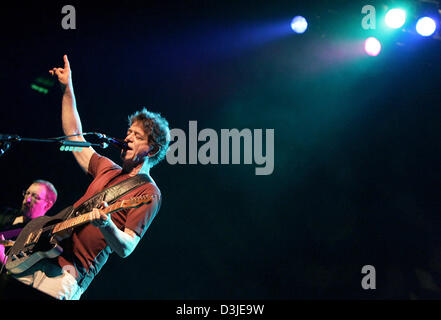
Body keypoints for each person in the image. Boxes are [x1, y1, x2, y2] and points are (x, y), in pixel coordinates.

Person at [14, 54, 170, 300]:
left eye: (137, 136)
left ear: (152, 150)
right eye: (128, 132)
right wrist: (67, 88)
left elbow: (127, 247)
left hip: (68, 274)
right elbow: (74, 137)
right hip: (38, 255)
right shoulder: (106, 167)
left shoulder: (148, 192)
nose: (127, 138)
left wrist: (106, 224)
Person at [0, 180, 58, 264]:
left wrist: (2, 258)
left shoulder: (41, 235)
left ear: (47, 205)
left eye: (35, 196)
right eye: (27, 193)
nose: (27, 199)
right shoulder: (6, 213)